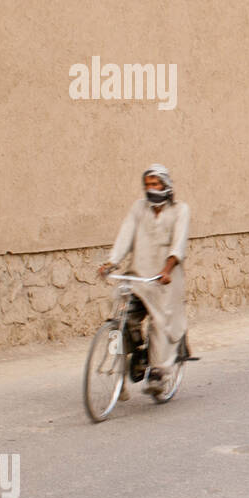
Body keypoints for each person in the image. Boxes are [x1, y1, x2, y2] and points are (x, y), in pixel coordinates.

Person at [97, 164, 190, 395]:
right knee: (122, 318)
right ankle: (127, 363)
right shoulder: (139, 208)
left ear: (166, 185)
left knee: (160, 323)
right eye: (148, 185)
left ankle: (159, 372)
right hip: (138, 276)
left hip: (164, 279)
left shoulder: (180, 210)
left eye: (155, 184)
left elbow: (178, 244)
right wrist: (112, 262)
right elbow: (125, 235)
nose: (151, 188)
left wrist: (167, 270)